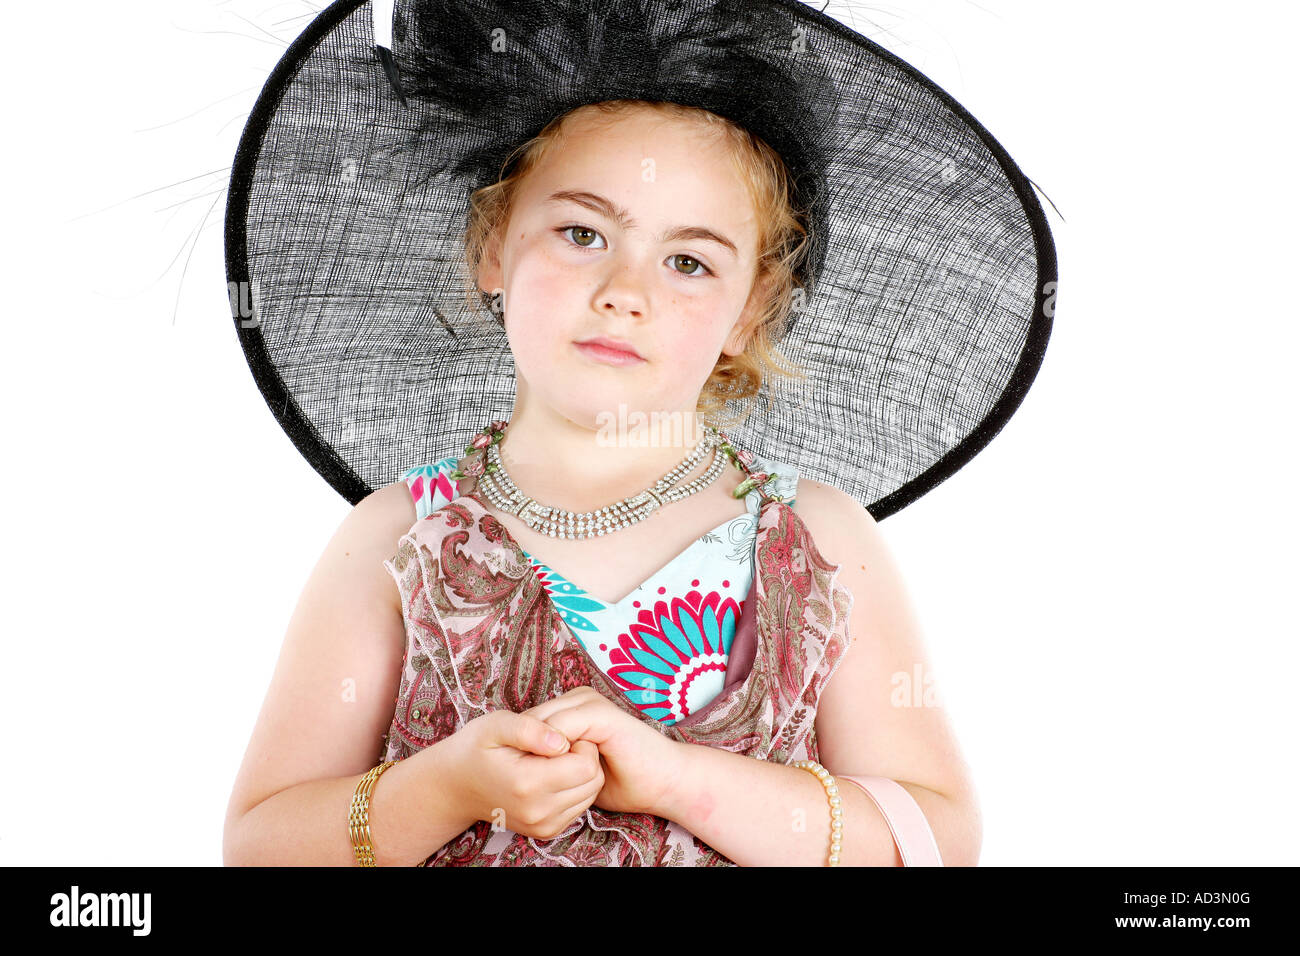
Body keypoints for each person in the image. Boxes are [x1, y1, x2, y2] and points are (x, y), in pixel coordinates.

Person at [223, 99, 978, 867]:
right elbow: (259, 846)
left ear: (751, 307)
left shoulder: (815, 537)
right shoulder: (400, 537)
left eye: (689, 261)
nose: (626, 291)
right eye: (583, 234)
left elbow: (936, 838)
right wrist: (444, 789)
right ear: (493, 245)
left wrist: (682, 782)